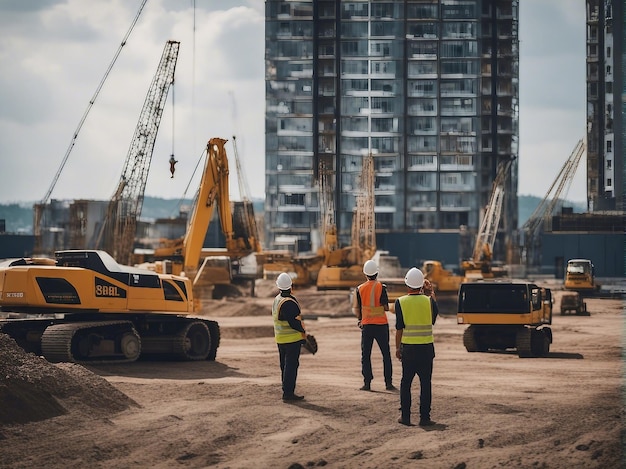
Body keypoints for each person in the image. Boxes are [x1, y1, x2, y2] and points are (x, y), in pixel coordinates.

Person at [395, 267, 438, 426]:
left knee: (406, 383)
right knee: (425, 384)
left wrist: (398, 348)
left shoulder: (400, 302)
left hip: (409, 349)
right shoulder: (429, 301)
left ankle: (405, 417)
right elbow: (433, 319)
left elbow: (399, 328)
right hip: (426, 349)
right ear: (422, 285)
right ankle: (424, 418)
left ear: (407, 284)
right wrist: (431, 292)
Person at [352, 259, 395, 391]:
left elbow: (356, 309)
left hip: (367, 326)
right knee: (386, 354)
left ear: (365, 274)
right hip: (381, 325)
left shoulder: (359, 289)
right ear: (377, 273)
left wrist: (361, 319)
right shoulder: (382, 287)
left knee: (366, 355)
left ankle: (367, 383)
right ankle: (388, 383)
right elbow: (386, 307)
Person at [272, 272, 307, 402]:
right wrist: (303, 332)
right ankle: (288, 393)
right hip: (292, 340)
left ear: (279, 286)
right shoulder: (289, 302)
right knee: (291, 366)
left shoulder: (277, 300)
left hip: (280, 339)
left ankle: (286, 390)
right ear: (291, 286)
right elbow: (294, 322)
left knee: (285, 366)